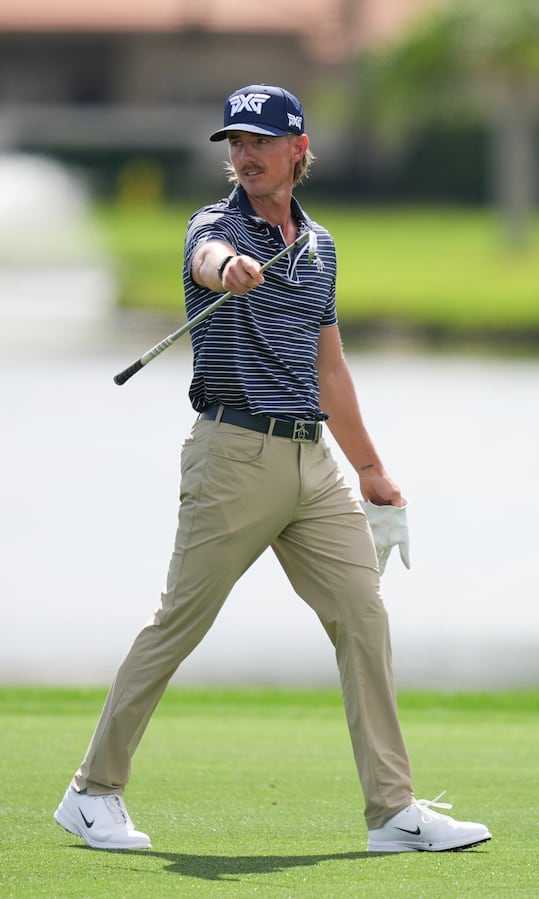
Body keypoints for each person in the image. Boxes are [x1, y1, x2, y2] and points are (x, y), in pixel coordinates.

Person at [54, 84, 491, 854]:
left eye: (260, 140)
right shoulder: (216, 226)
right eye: (235, 142)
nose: (245, 154)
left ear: (299, 150)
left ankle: (392, 811)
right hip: (233, 456)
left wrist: (372, 469)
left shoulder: (319, 246)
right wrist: (228, 272)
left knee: (363, 615)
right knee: (178, 624)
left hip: (312, 463)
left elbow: (330, 367)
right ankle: (91, 793)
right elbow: (205, 253)